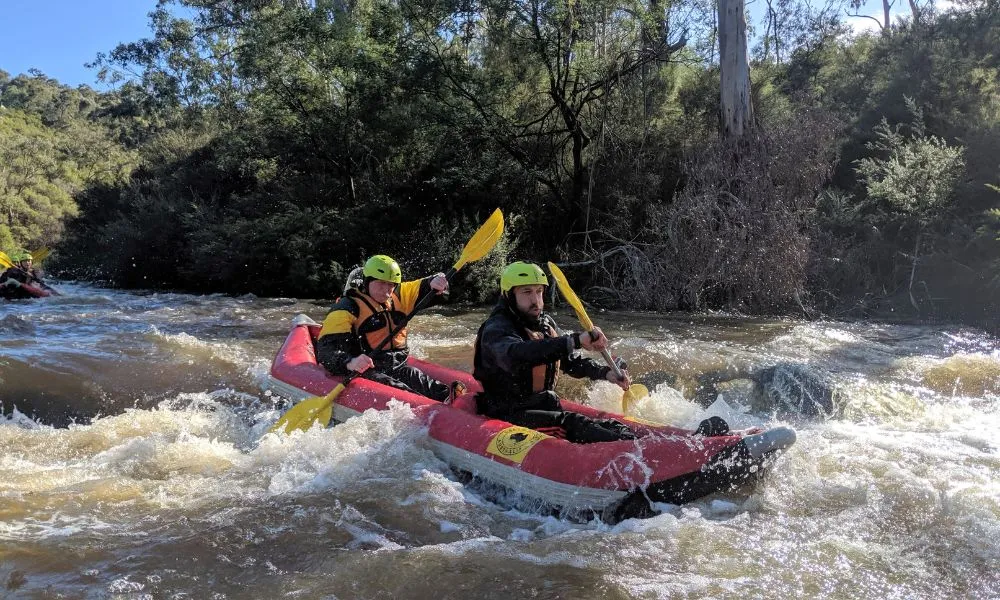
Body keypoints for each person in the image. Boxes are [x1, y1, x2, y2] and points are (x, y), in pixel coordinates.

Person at [472, 261, 638, 443]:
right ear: (509, 295)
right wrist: (575, 340)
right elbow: (517, 354)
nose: (535, 300)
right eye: (527, 292)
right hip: (508, 412)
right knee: (577, 425)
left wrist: (606, 373)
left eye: (539, 291)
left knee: (615, 427)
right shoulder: (496, 328)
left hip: (540, 406)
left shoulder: (545, 323)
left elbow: (570, 362)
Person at [315, 254, 459, 402]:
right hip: (367, 371)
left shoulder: (400, 295)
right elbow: (326, 350)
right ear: (367, 281)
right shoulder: (346, 308)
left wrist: (437, 282)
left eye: (391, 284)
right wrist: (349, 361)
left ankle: (455, 403)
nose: (386, 290)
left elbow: (425, 285)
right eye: (381, 283)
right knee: (403, 392)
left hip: (398, 367)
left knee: (428, 384)